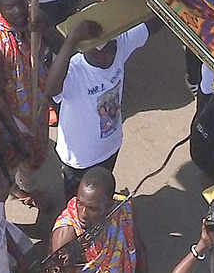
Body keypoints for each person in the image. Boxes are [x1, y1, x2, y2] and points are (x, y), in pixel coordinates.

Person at [47, 19, 149, 206]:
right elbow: (52, 89)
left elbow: (151, 22)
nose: (106, 56)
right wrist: (70, 41)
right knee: (77, 207)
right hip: (79, 158)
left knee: (102, 195)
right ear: (84, 49)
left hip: (110, 147)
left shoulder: (120, 46)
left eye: (109, 49)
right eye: (97, 52)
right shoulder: (74, 71)